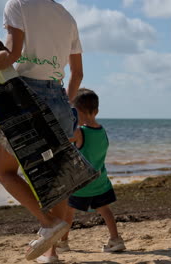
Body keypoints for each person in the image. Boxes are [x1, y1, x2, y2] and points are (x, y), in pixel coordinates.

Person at [0, 0, 83, 262]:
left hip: (24, 97)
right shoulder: (66, 16)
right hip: (59, 98)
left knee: (4, 171)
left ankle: (47, 222)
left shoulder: (17, 4)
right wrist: (67, 107)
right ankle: (51, 253)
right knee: (56, 179)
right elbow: (77, 74)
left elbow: (12, 55)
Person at [55, 88, 126, 255]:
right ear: (97, 111)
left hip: (81, 183)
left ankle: (63, 242)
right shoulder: (102, 131)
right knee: (105, 210)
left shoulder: (80, 132)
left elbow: (63, 141)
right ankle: (116, 240)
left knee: (68, 212)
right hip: (100, 181)